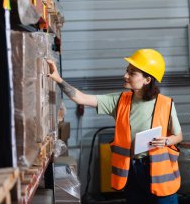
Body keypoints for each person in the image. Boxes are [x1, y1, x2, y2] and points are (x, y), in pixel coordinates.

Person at [47, 49, 182, 204]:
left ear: (147, 80)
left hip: (160, 174)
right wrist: (58, 79)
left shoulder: (166, 104)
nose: (125, 75)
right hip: (132, 171)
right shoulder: (120, 101)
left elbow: (178, 136)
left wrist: (165, 141)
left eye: (132, 73)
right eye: (127, 71)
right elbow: (81, 98)